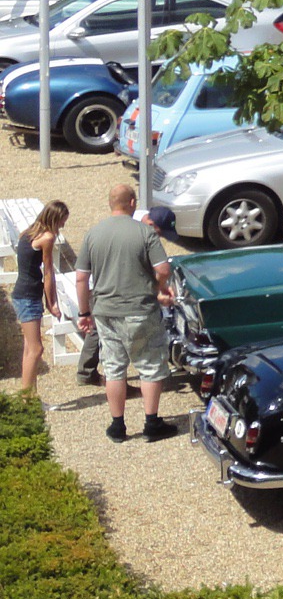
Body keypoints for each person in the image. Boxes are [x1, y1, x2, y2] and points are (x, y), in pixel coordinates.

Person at [75, 184, 177, 442]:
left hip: (106, 311)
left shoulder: (93, 234)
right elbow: (163, 269)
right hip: (140, 310)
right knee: (150, 366)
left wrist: (84, 312)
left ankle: (117, 426)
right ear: (132, 202)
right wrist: (158, 288)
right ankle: (151, 424)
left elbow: (81, 278)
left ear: (110, 203)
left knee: (113, 368)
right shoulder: (144, 232)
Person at [12, 200, 69, 396]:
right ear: (55, 219)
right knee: (36, 349)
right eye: (62, 221)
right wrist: (52, 303)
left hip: (22, 293)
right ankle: (26, 399)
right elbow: (48, 273)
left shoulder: (28, 233)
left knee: (29, 349)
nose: (63, 225)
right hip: (29, 296)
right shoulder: (47, 237)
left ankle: (30, 396)